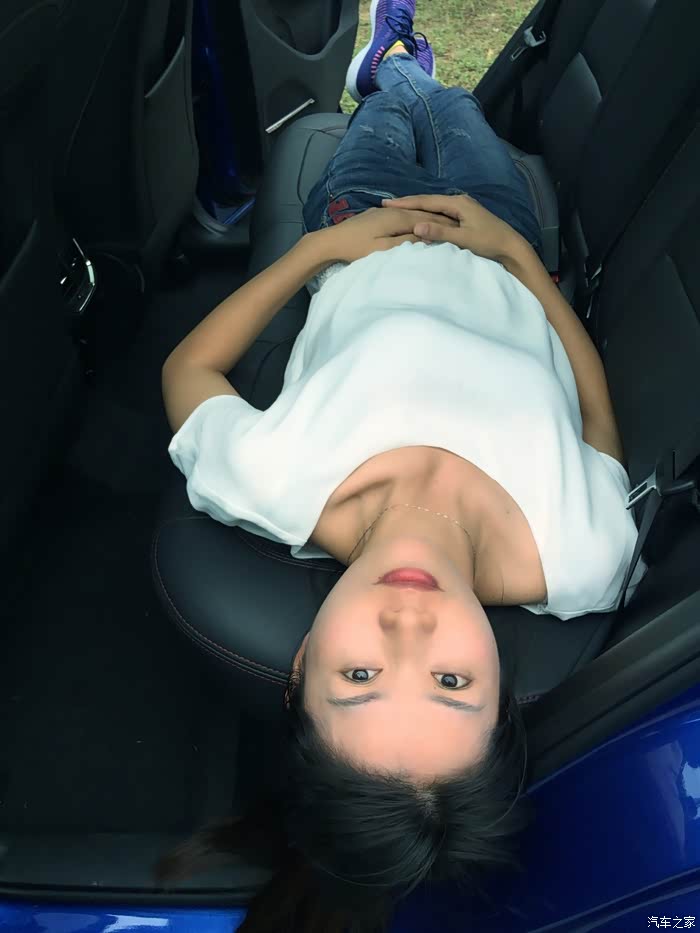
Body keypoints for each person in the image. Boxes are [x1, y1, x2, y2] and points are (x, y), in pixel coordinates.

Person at [158, 1, 646, 930]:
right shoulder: (581, 559)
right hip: (497, 237)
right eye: (452, 684)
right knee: (458, 112)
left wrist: (321, 248)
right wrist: (519, 259)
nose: (408, 627)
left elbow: (188, 371)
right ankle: (411, 65)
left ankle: (391, 67)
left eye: (359, 676)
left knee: (389, 111)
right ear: (502, 695)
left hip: (363, 218)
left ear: (302, 665)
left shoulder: (269, 484)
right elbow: (597, 422)